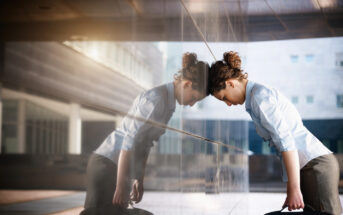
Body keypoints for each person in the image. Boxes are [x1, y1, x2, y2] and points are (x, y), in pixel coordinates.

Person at [207, 51, 342, 215]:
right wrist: (291, 186)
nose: (228, 104)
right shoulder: (255, 98)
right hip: (309, 167)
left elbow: (286, 142)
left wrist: (294, 188)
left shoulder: (259, 97)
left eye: (224, 98)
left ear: (230, 83)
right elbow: (283, 145)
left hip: (316, 166)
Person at [80, 52, 209, 215]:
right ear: (186, 84)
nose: (191, 104)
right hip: (107, 164)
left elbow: (146, 143)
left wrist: (138, 179)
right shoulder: (156, 99)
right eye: (194, 98)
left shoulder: (168, 105)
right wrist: (120, 185)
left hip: (119, 168)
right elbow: (129, 140)